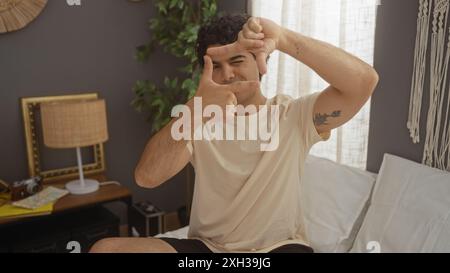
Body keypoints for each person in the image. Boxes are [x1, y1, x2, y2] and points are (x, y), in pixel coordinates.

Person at [90, 14, 378, 253]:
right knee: (106, 250)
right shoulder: (197, 119)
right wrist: (196, 107)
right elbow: (146, 177)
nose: (226, 75)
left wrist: (284, 38)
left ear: (260, 62)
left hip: (278, 248)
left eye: (237, 61)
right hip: (208, 249)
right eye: (215, 66)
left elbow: (363, 82)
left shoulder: (293, 116)